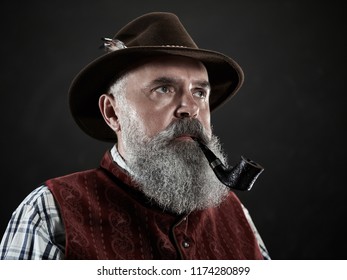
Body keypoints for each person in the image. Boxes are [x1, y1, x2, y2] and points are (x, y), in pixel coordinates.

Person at [0, 12, 269, 260]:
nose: (190, 108)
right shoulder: (50, 213)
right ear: (112, 113)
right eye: (163, 88)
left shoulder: (236, 215)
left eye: (199, 92)